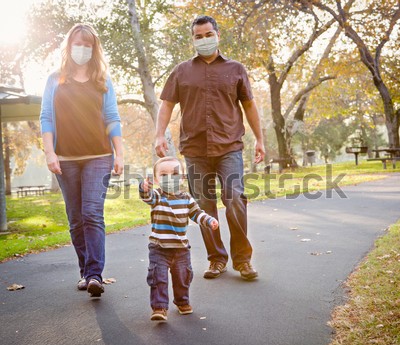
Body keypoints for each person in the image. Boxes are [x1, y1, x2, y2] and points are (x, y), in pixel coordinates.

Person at [155, 15, 265, 281]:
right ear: (192, 39)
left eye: (207, 34)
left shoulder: (236, 69)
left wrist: (260, 139)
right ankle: (216, 259)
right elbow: (167, 104)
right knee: (204, 205)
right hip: (194, 149)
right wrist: (159, 134)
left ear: (217, 35)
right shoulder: (182, 71)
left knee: (235, 199)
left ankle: (243, 260)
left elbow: (249, 105)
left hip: (229, 146)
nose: (203, 40)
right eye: (198, 36)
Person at [40, 23, 124, 298]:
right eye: (78, 44)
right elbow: (46, 119)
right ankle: (85, 272)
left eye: (88, 45)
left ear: (94, 49)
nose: (83, 49)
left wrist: (119, 153)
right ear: (69, 46)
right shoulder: (54, 79)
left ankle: (94, 274)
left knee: (91, 213)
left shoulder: (102, 80)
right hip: (65, 158)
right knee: (75, 218)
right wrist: (50, 152)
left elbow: (112, 117)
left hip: (99, 156)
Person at [139, 156, 218, 321]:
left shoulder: (186, 198)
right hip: (159, 247)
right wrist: (144, 188)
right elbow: (147, 196)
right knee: (158, 278)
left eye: (174, 173)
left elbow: (197, 213)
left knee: (183, 277)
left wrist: (209, 220)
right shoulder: (157, 196)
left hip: (181, 248)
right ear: (156, 179)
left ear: (182, 177)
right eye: (163, 175)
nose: (169, 178)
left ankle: (182, 302)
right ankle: (159, 307)